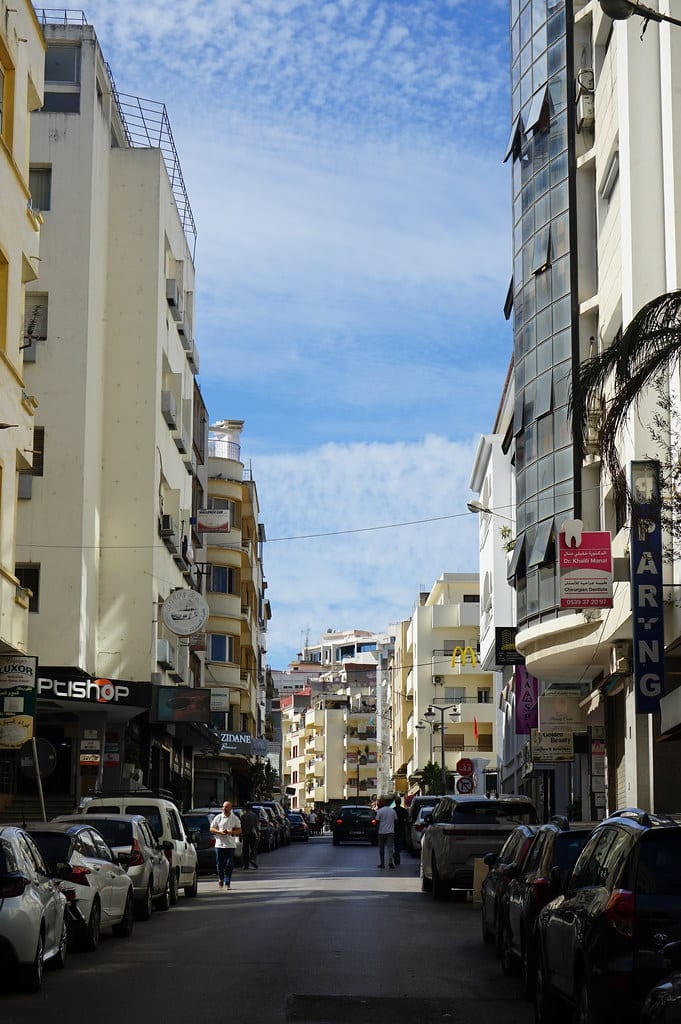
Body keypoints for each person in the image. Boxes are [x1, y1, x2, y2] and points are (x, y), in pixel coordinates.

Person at [210, 800, 241, 889]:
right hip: (219, 845)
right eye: (223, 807)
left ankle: (227, 882)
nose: (224, 808)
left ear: (230, 808)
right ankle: (221, 879)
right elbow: (211, 828)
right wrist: (219, 832)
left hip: (230, 845)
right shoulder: (218, 817)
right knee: (219, 864)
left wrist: (231, 832)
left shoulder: (234, 818)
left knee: (229, 865)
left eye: (226, 807)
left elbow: (239, 830)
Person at [375, 796, 397, 869]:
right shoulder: (392, 811)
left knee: (381, 848)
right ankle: (390, 862)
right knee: (390, 848)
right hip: (391, 832)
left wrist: (377, 830)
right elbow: (396, 820)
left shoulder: (380, 811)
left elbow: (377, 821)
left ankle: (382, 863)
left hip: (381, 832)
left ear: (383, 803)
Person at [239, 803, 259, 870]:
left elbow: (241, 826)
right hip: (253, 833)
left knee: (246, 849)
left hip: (245, 834)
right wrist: (258, 834)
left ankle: (246, 865)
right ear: (251, 808)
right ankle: (252, 859)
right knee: (253, 848)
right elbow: (256, 826)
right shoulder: (255, 815)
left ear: (246, 809)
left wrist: (240, 835)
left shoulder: (243, 816)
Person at [392, 796, 409, 866]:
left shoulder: (393, 810)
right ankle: (396, 855)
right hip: (401, 829)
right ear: (400, 802)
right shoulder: (404, 810)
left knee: (396, 844)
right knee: (401, 844)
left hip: (394, 829)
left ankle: (397, 858)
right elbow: (407, 819)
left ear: (395, 802)